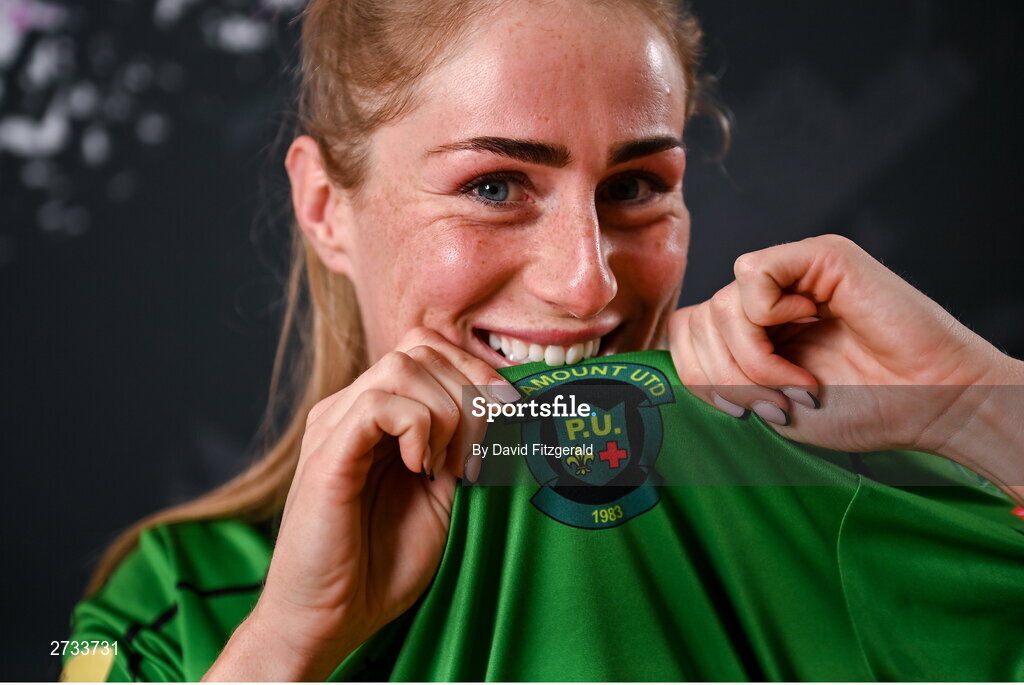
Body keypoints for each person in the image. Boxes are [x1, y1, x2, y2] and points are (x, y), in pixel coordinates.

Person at [61, 0, 1024, 681]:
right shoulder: (163, 605)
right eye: (494, 187)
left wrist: (983, 409)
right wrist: (288, 643)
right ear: (324, 206)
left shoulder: (815, 485)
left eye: (637, 186)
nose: (590, 282)